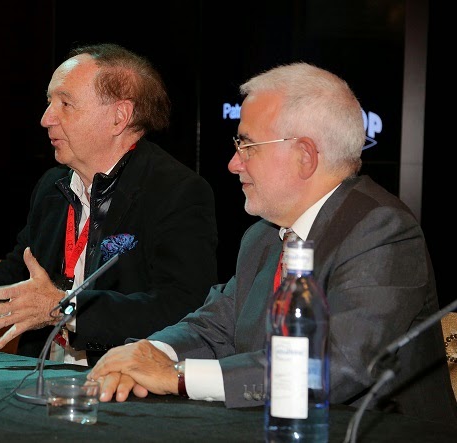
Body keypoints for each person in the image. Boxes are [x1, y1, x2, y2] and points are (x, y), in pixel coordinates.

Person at [88, 62, 457, 424]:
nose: (233, 164)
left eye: (247, 146)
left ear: (304, 156)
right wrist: (148, 353)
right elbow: (215, 326)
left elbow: (336, 366)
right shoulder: (263, 236)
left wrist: (180, 376)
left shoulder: (382, 231)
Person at [0, 43, 218, 366]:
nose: (45, 118)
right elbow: (22, 274)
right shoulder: (52, 187)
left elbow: (182, 309)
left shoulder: (176, 192)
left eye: (65, 104)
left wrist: (66, 309)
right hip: (40, 376)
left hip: (119, 380)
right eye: (48, 102)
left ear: (119, 117)